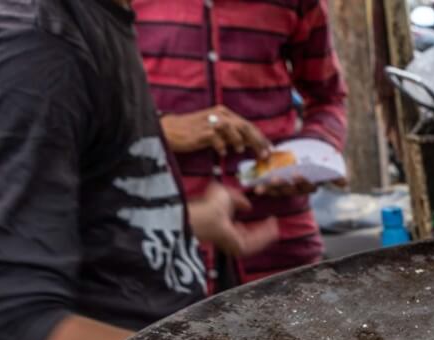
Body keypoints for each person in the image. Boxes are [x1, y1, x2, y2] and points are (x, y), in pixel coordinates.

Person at [0, 0, 280, 340]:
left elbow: (84, 214)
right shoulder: (36, 46)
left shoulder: (98, 21)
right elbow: (9, 325)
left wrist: (193, 220)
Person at [133, 0, 348, 287]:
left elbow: (328, 98)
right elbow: (83, 110)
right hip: (162, 248)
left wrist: (310, 155)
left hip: (278, 241)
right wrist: (160, 128)